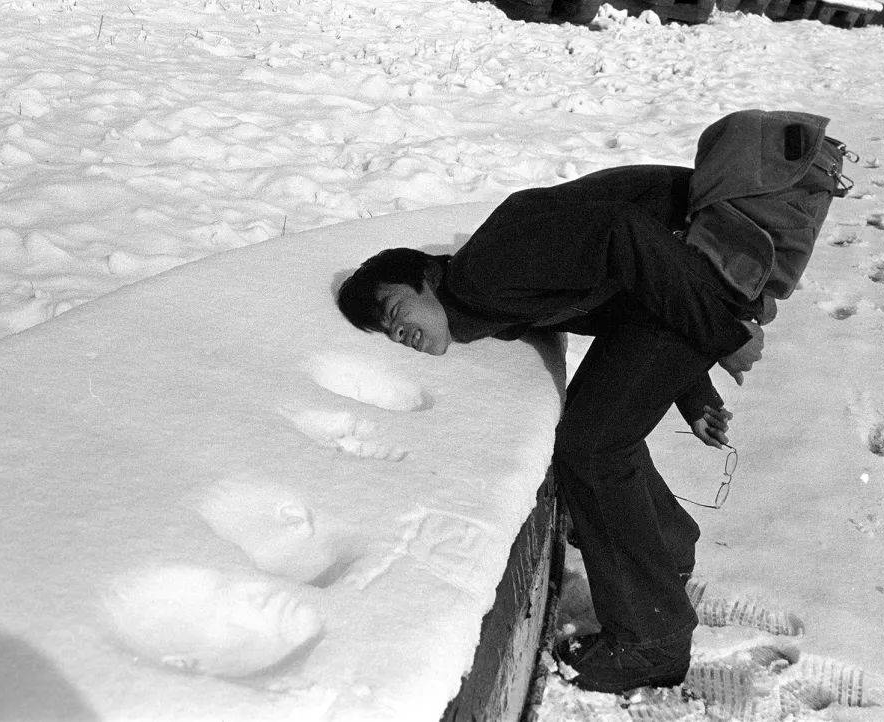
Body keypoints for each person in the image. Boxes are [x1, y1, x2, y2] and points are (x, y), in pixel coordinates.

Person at [334, 110, 846, 692]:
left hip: (702, 261)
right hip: (686, 264)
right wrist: (691, 388)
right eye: (386, 332)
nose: (398, 333)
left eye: (395, 311)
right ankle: (666, 551)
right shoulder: (492, 295)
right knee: (596, 430)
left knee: (592, 445)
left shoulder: (486, 274)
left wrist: (725, 336)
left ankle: (652, 641)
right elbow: (626, 297)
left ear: (425, 277)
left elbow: (623, 236)